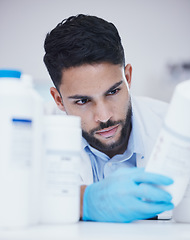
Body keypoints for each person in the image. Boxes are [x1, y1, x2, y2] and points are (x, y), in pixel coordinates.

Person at [43, 14, 174, 223]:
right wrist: (84, 201)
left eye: (113, 92)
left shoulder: (176, 125)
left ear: (128, 78)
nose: (104, 117)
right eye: (83, 101)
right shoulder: (31, 134)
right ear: (58, 99)